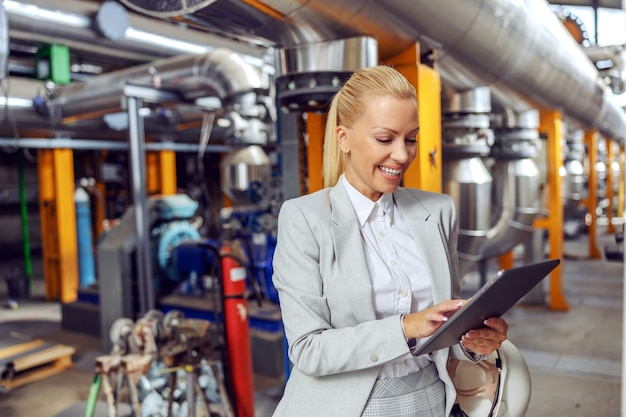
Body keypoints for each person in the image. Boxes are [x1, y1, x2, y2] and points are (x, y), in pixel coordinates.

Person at [271, 65, 508, 417]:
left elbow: (446, 327)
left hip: (430, 401)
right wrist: (406, 327)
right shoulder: (304, 218)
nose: (402, 155)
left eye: (410, 138)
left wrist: (475, 341)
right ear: (344, 138)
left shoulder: (438, 211)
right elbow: (308, 350)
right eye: (385, 139)